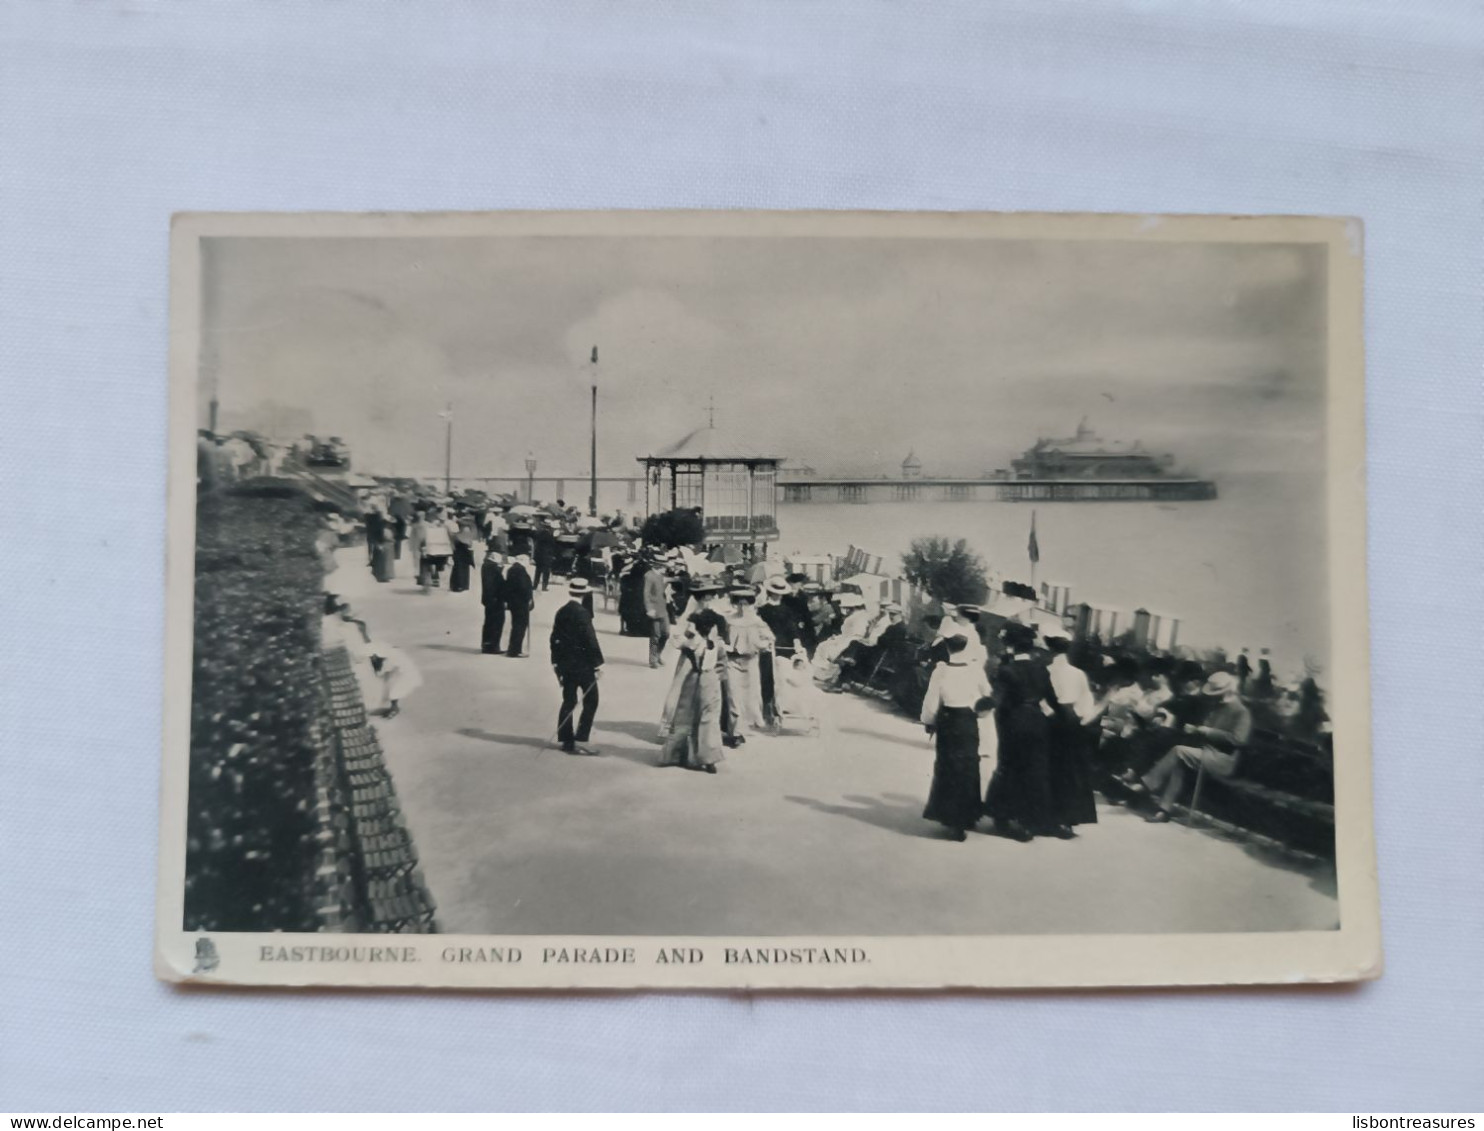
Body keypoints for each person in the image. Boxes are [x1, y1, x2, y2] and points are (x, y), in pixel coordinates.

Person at [1128, 671, 1253, 821]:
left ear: (1227, 692)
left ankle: (1146, 785)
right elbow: (1205, 731)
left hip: (1223, 760)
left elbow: (1239, 740)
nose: (1213, 696)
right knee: (1179, 763)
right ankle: (1164, 811)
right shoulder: (1217, 707)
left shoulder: (1241, 712)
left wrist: (1207, 731)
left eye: (1217, 693)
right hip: (1205, 752)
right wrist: (1196, 730)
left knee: (1178, 751)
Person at [983, 621, 1066, 841]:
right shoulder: (1041, 669)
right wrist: (1062, 718)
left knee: (1009, 767)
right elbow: (1054, 701)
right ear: (1031, 648)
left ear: (1012, 647)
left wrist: (982, 706)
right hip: (1038, 723)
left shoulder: (1007, 670)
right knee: (1036, 771)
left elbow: (997, 698)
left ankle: (1005, 816)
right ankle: (1036, 820)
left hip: (1014, 722)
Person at [920, 634, 994, 841]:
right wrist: (979, 711)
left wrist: (929, 720)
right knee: (969, 766)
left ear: (947, 648)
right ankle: (967, 816)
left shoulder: (941, 671)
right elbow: (988, 695)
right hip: (968, 722)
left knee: (948, 767)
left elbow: (932, 700)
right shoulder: (975, 668)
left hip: (949, 721)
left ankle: (952, 819)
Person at [658, 582, 729, 773]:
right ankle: (684, 753)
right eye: (703, 596)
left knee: (704, 712)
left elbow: (722, 642)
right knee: (686, 708)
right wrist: (689, 644)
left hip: (706, 665)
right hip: (692, 662)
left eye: (709, 595)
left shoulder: (717, 616)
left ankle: (705, 755)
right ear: (698, 597)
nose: (707, 599)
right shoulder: (691, 617)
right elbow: (678, 638)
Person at [1042, 626, 1100, 831]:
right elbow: (1086, 704)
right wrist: (1078, 719)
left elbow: (1042, 700)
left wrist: (1050, 715)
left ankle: (1046, 817)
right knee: (1070, 771)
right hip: (1072, 723)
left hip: (1052, 722)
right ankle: (1065, 819)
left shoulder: (1046, 671)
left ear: (1049, 648)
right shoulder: (1078, 674)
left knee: (1049, 768)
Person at [549, 578, 604, 756]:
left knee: (569, 700)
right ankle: (581, 739)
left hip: (565, 663)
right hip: (583, 664)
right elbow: (590, 640)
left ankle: (566, 739)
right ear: (585, 592)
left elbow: (554, 638)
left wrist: (555, 662)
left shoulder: (562, 611)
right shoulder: (583, 613)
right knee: (591, 699)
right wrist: (597, 665)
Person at [723, 584, 774, 743]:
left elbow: (769, 638)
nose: (742, 606)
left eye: (746, 603)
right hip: (731, 661)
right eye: (739, 603)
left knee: (749, 698)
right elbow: (721, 638)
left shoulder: (756, 621)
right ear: (734, 603)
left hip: (751, 662)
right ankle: (735, 732)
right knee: (733, 696)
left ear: (751, 603)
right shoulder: (728, 620)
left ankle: (743, 729)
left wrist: (761, 645)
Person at [758, 576, 807, 728]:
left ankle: (780, 706)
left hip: (784, 647)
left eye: (780, 592)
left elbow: (793, 630)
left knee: (782, 678)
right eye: (775, 592)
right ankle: (766, 710)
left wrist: (797, 644)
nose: (777, 595)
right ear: (770, 592)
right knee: (766, 677)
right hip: (767, 646)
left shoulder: (787, 610)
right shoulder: (762, 610)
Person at [369, 643, 422, 719]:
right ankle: (394, 707)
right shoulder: (385, 654)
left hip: (403, 672)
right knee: (391, 688)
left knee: (394, 690)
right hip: (398, 670)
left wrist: (378, 670)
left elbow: (382, 670)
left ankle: (394, 709)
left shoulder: (387, 658)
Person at [643, 553, 673, 668]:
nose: (665, 568)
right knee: (655, 635)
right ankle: (653, 659)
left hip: (663, 608)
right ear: (658, 565)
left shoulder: (660, 576)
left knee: (666, 633)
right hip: (654, 610)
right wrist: (649, 609)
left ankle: (658, 654)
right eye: (663, 566)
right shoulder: (649, 576)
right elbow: (646, 594)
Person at [503, 554, 535, 657]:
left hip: (514, 602)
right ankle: (515, 650)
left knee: (516, 625)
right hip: (521, 603)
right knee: (520, 626)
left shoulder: (512, 569)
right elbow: (523, 587)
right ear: (523, 560)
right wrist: (529, 598)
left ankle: (513, 649)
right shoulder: (520, 571)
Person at [479, 548, 506, 655]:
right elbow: (494, 584)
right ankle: (493, 646)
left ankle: (487, 644)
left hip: (490, 599)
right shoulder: (491, 567)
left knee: (489, 622)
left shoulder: (487, 566)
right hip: (494, 599)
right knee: (496, 623)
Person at [419, 508, 454, 589]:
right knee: (438, 564)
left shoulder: (433, 525)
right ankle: (436, 579)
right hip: (438, 548)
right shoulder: (446, 525)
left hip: (436, 547)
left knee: (436, 564)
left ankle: (435, 579)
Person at [449, 518, 477, 593]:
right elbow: (470, 546)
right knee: (464, 571)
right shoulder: (468, 535)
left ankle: (456, 586)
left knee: (457, 570)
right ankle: (464, 585)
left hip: (458, 554)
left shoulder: (455, 535)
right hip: (464, 555)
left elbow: (453, 545)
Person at [533, 521, 556, 592]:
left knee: (538, 571)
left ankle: (535, 585)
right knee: (546, 572)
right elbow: (553, 545)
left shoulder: (539, 533)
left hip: (539, 555)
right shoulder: (550, 535)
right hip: (547, 555)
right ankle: (544, 586)